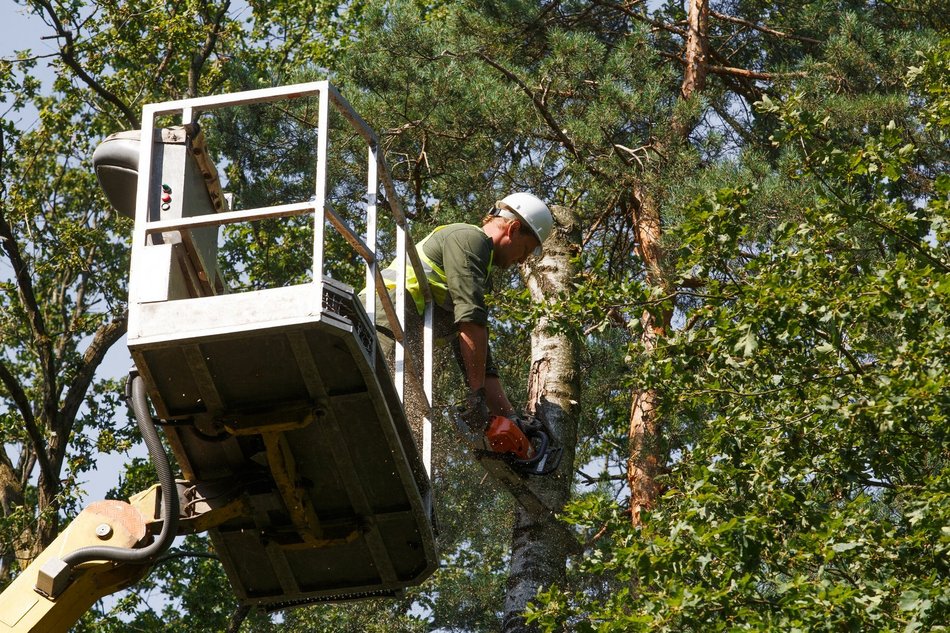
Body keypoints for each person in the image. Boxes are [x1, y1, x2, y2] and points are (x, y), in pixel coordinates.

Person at [368, 192, 554, 444]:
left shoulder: (480, 266)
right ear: (514, 227)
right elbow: (471, 320)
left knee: (405, 432)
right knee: (390, 422)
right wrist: (476, 394)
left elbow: (479, 356)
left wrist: (511, 418)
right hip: (383, 325)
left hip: (401, 339)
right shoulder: (469, 239)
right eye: (525, 250)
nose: (521, 260)